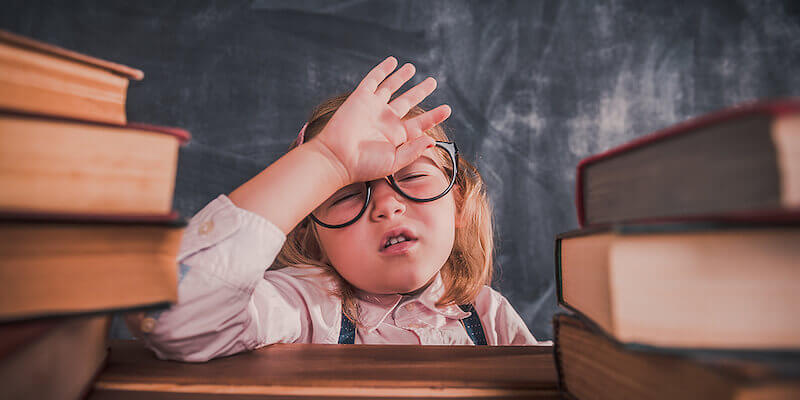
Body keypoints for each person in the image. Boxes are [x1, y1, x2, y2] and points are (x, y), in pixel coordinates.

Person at [126, 56, 539, 362]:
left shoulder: (490, 317)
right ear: (312, 234)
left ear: (460, 204)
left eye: (413, 177)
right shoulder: (305, 307)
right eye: (345, 195)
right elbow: (175, 319)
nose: (387, 206)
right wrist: (326, 163)